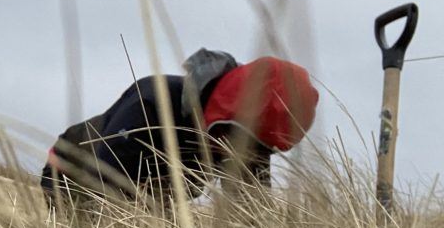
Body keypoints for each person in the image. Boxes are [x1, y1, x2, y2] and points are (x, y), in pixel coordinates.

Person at [41, 49, 319, 205]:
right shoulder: (152, 102)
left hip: (148, 197)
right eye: (233, 135)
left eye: (260, 148)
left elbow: (250, 222)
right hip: (72, 172)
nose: (237, 151)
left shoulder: (250, 144)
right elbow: (100, 188)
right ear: (224, 116)